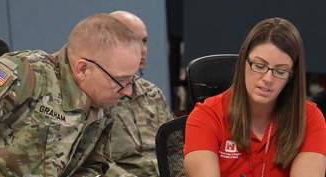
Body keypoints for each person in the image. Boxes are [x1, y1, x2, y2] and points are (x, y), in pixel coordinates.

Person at [0, 13, 143, 176]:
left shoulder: (101, 103)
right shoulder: (24, 75)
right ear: (83, 69)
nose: (128, 91)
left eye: (132, 79)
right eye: (122, 80)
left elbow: (90, 167)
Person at [184, 17, 326, 177]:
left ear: (291, 76)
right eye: (259, 66)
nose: (267, 78)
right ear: (243, 60)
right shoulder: (206, 116)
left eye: (280, 71)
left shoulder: (309, 119)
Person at [105, 10, 175, 176]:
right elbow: (91, 163)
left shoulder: (152, 93)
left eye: (144, 42)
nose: (143, 50)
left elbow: (176, 147)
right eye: (135, 41)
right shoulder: (96, 96)